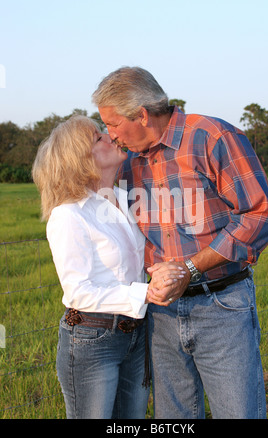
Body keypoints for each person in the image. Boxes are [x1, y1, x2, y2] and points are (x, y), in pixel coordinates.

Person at [92, 67, 268, 419]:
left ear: (142, 115)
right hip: (161, 312)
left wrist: (189, 269)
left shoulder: (212, 136)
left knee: (238, 411)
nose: (110, 134)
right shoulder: (130, 159)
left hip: (221, 304)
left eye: (113, 123)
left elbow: (260, 216)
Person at [32, 115, 183, 419]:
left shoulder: (125, 200)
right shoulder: (69, 215)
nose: (111, 137)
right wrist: (145, 292)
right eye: (98, 138)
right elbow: (78, 292)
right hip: (92, 340)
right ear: (80, 159)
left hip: (136, 333)